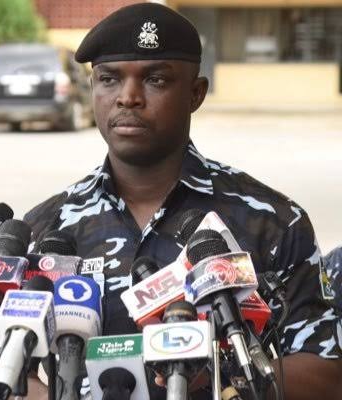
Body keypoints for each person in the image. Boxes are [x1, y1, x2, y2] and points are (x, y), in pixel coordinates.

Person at [22, 3, 342, 399]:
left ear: (196, 94)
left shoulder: (273, 222)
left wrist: (223, 377)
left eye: (155, 80)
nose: (128, 97)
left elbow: (326, 372)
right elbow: (7, 370)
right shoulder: (48, 231)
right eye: (109, 79)